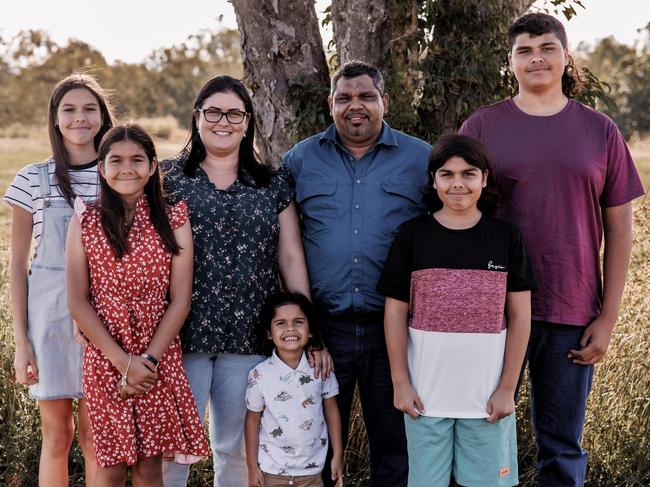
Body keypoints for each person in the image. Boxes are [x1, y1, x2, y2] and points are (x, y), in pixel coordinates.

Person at [459, 13, 645, 486]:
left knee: (562, 445)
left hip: (571, 308)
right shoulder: (482, 126)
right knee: (480, 432)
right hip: (492, 309)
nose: (536, 57)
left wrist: (607, 317)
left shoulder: (600, 131)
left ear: (566, 56)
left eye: (546, 47)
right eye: (524, 50)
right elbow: (456, 215)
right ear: (510, 61)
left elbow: (620, 230)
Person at [161, 75, 328, 487]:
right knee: (174, 447)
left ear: (248, 120)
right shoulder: (167, 179)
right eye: (213, 112)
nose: (224, 121)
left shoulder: (272, 183)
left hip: (249, 333)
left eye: (235, 113)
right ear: (197, 117)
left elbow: (290, 255)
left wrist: (311, 330)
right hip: (183, 332)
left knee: (237, 446)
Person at [283, 60, 431, 486]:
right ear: (330, 104)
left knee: (397, 446)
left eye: (366, 96)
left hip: (397, 328)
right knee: (317, 446)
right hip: (324, 332)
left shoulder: (420, 159)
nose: (356, 106)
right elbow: (284, 244)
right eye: (345, 98)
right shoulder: (301, 160)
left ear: (385, 100)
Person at [377, 134, 537, 487]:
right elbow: (394, 313)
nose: (458, 183)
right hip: (425, 400)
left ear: (484, 178)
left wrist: (507, 388)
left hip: (486, 403)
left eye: (468, 173)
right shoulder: (412, 236)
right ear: (434, 181)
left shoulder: (505, 237)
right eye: (447, 174)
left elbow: (520, 316)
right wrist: (400, 383)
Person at [66, 123, 210, 486]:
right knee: (109, 466)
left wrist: (145, 362)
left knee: (148, 465)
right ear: (101, 168)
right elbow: (78, 300)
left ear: (152, 166)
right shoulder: (86, 219)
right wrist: (121, 362)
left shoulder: (173, 217)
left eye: (137, 159)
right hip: (105, 353)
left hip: (155, 352)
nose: (126, 168)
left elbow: (180, 300)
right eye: (115, 160)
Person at [3, 73, 115, 486]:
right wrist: (23, 341)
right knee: (58, 434)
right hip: (47, 319)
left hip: (104, 321)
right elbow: (18, 265)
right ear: (55, 118)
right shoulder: (33, 178)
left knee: (95, 435)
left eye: (89, 109)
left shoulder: (116, 174)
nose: (79, 118)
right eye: (69, 109)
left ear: (103, 116)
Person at [245, 291, 344, 487]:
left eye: (298, 322)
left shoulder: (320, 369)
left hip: (312, 472)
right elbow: (252, 420)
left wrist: (338, 454)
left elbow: (332, 410)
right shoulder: (260, 375)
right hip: (271, 472)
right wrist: (251, 466)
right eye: (280, 323)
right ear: (268, 333)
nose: (290, 329)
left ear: (310, 330)